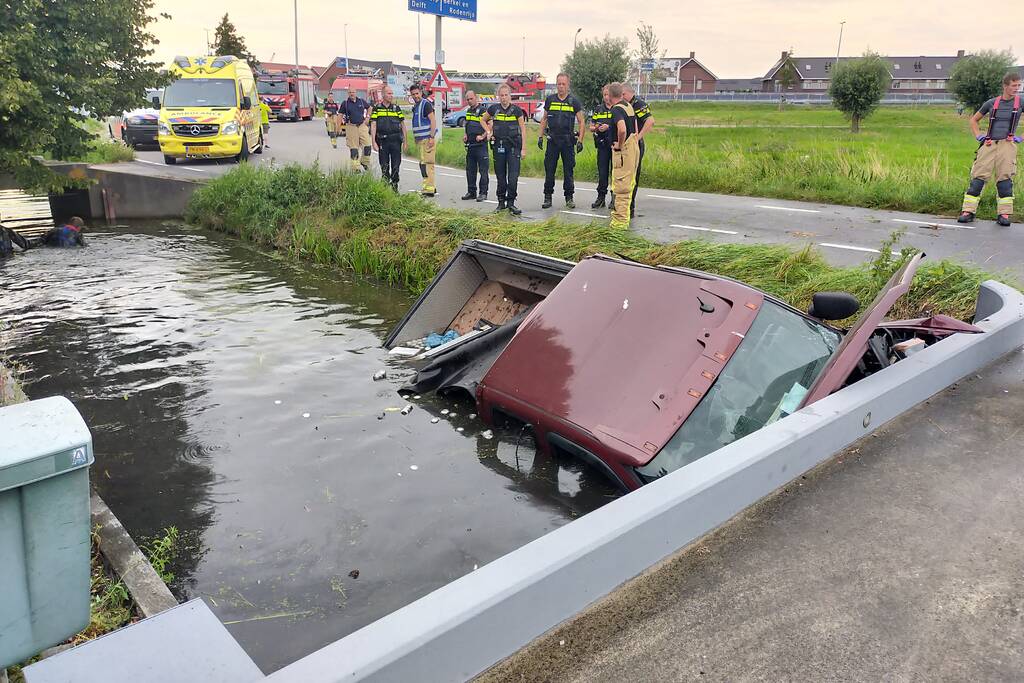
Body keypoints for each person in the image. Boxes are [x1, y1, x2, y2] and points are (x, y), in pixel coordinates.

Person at [958, 72, 1022, 227]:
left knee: (1005, 179)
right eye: (1014, 85)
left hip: (1007, 145)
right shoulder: (991, 103)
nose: (1017, 88)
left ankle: (1004, 214)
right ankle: (968, 211)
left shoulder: (1021, 102)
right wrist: (978, 135)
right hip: (989, 144)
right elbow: (974, 120)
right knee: (978, 178)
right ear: (1005, 86)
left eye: (1018, 85)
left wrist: (1021, 138)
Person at [538, 73, 585, 209]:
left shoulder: (573, 101)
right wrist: (540, 136)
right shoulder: (550, 100)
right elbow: (544, 119)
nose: (561, 86)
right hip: (552, 141)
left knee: (568, 171)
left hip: (568, 142)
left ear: (568, 85)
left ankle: (569, 198)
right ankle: (548, 197)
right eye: (559, 84)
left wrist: (580, 140)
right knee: (549, 170)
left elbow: (582, 122)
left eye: (563, 84)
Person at [482, 84, 527, 215]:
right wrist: (488, 131)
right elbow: (483, 120)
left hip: (513, 148)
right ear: (498, 96)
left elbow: (523, 130)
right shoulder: (493, 109)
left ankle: (511, 203)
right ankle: (501, 203)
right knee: (501, 177)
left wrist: (524, 148)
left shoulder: (517, 111)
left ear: (510, 96)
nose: (504, 98)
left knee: (513, 177)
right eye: (501, 95)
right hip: (499, 147)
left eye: (506, 95)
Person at [607, 82, 639, 230]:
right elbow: (635, 127)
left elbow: (622, 129)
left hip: (623, 151)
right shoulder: (628, 106)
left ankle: (618, 225)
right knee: (629, 185)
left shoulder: (616, 110)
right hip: (633, 148)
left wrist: (619, 145)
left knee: (620, 188)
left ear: (609, 96)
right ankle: (624, 221)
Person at [622, 85, 654, 216]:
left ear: (629, 93)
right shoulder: (623, 105)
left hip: (635, 145)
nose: (622, 97)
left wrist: (638, 137)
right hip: (623, 145)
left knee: (633, 175)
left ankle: (631, 206)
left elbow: (650, 121)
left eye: (623, 94)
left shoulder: (638, 104)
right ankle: (621, 203)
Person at [370, 86, 408, 193]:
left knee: (396, 166)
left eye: (392, 93)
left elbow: (403, 125)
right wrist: (373, 142)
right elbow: (373, 125)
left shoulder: (396, 108)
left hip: (396, 140)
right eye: (389, 93)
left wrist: (405, 141)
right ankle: (385, 189)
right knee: (384, 166)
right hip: (383, 141)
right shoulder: (377, 108)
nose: (391, 96)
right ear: (383, 95)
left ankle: (395, 187)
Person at [409, 84, 438, 197]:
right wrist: (416, 138)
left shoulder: (426, 104)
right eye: (413, 94)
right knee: (423, 164)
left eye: (417, 93)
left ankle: (429, 189)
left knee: (428, 164)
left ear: (421, 92)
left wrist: (431, 137)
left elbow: (433, 121)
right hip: (421, 140)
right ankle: (429, 186)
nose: (415, 96)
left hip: (427, 139)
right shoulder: (416, 106)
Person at [461, 90, 490, 202]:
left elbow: (490, 125)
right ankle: (471, 192)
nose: (469, 101)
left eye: (471, 98)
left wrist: (483, 136)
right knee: (470, 170)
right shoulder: (468, 111)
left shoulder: (483, 110)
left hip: (481, 145)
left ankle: (483, 193)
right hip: (471, 144)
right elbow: (467, 125)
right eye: (467, 99)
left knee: (483, 170)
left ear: (476, 98)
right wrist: (465, 135)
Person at [589, 86, 614, 209]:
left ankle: (614, 198)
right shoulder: (599, 109)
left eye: (608, 94)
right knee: (602, 172)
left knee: (614, 172)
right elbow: (591, 126)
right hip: (602, 145)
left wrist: (608, 127)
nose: (606, 97)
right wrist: (598, 128)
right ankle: (601, 197)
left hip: (614, 145)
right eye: (604, 95)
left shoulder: (617, 108)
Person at [342, 89, 372, 173]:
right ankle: (355, 168)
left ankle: (364, 162)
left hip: (362, 125)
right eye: (350, 92)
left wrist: (368, 117)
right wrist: (337, 128)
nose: (352, 94)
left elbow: (370, 108)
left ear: (356, 93)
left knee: (367, 146)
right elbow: (340, 115)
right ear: (348, 93)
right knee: (354, 149)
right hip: (351, 127)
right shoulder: (345, 104)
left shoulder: (361, 101)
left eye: (353, 92)